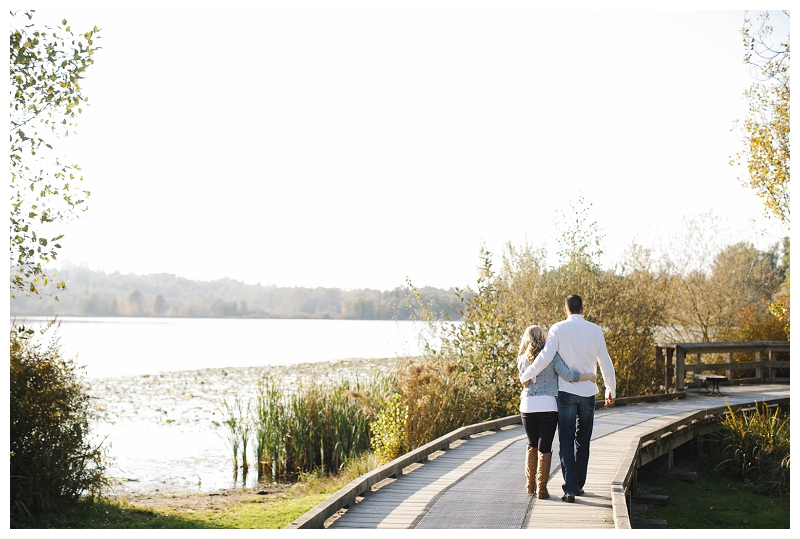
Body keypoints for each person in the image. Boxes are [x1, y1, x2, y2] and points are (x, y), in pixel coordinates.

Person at [519, 295, 616, 503]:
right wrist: (610, 389)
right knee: (583, 440)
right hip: (588, 392)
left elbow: (545, 357)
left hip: (566, 394)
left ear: (565, 310)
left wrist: (527, 374)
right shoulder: (595, 330)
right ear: (582, 309)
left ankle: (570, 488)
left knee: (565, 439)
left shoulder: (557, 329)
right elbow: (605, 361)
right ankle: (579, 484)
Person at [517, 325, 597, 498]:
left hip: (527, 405)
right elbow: (568, 375)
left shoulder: (521, 359)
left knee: (532, 444)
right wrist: (589, 376)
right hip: (548, 406)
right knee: (544, 446)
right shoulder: (552, 356)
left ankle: (530, 485)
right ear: (544, 337)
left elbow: (524, 382)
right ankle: (542, 489)